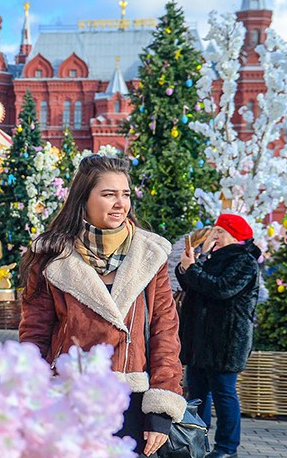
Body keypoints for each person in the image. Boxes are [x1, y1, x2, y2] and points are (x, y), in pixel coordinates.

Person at [19, 155, 185, 458]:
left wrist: (162, 405)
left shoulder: (149, 255)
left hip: (130, 400)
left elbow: (165, 331)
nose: (120, 203)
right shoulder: (51, 257)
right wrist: (32, 394)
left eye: (125, 194)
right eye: (108, 194)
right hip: (70, 397)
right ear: (84, 198)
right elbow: (34, 335)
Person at [176, 213, 261, 458]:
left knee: (224, 394)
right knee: (198, 394)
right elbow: (193, 283)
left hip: (225, 342)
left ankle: (227, 448)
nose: (215, 236)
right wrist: (187, 266)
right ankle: (197, 441)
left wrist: (193, 269)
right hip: (201, 341)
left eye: (219, 231)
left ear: (232, 235)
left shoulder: (244, 262)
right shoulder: (213, 258)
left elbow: (220, 289)